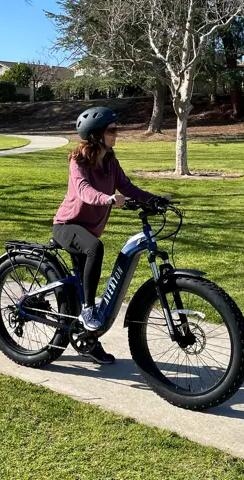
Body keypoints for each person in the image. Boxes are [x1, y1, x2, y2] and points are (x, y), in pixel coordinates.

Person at [52, 106, 164, 364]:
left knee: (83, 277)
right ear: (95, 134)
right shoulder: (78, 161)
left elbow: (127, 187)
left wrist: (156, 200)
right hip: (67, 226)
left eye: (116, 129)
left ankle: (87, 340)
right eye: (112, 130)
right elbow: (83, 190)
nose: (117, 134)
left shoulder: (110, 161)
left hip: (88, 229)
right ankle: (89, 310)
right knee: (95, 248)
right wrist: (109, 199)